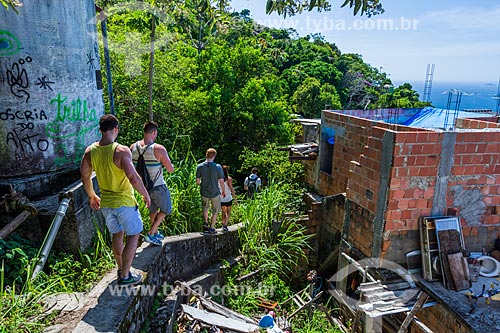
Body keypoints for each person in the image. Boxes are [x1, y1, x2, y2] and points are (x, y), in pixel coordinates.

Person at [80, 114, 151, 285]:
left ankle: (121, 269)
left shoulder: (90, 151)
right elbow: (133, 177)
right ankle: (126, 276)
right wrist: (146, 194)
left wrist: (91, 195)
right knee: (133, 236)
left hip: (106, 204)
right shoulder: (120, 150)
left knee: (117, 234)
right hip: (124, 203)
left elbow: (84, 175)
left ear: (100, 130)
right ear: (116, 129)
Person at [131, 121, 174, 246]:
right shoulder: (158, 148)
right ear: (154, 132)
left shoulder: (133, 147)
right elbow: (170, 169)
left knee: (153, 209)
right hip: (158, 186)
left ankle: (154, 233)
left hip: (144, 187)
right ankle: (151, 233)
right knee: (166, 209)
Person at [196, 148, 225, 234]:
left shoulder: (200, 166)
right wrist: (223, 191)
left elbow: (197, 181)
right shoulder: (218, 167)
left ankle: (205, 224)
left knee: (205, 207)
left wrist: (203, 183)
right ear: (214, 156)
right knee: (215, 210)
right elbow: (221, 181)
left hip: (204, 192)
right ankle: (212, 228)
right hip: (215, 192)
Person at [220, 165, 237, 232]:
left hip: (221, 198)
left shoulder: (218, 179)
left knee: (223, 212)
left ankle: (223, 224)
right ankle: (225, 225)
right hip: (228, 198)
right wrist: (235, 199)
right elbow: (232, 189)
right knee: (228, 212)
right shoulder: (229, 179)